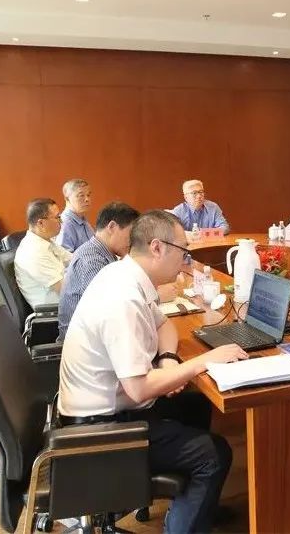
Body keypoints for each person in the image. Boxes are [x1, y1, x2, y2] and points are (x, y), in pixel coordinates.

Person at [58, 210, 248, 533]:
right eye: (183, 251)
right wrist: (203, 361)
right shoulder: (123, 298)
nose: (186, 260)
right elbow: (139, 389)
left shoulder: (125, 275)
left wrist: (169, 360)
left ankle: (194, 506)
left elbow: (164, 326)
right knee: (214, 454)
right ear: (157, 247)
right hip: (100, 428)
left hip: (113, 405)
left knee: (197, 406)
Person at [57, 202, 140, 343]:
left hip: (94, 333)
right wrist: (153, 295)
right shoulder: (92, 260)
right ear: (112, 227)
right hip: (82, 342)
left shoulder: (102, 252)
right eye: (131, 234)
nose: (132, 242)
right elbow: (111, 309)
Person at [14, 198, 73, 308]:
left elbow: (74, 259)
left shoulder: (45, 241)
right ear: (41, 223)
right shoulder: (33, 252)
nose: (61, 222)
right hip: (56, 312)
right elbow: (67, 290)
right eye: (57, 217)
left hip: (67, 302)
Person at [56, 178, 94, 251]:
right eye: (81, 195)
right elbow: (65, 256)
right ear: (67, 198)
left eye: (88, 195)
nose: (87, 199)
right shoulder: (65, 223)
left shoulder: (83, 220)